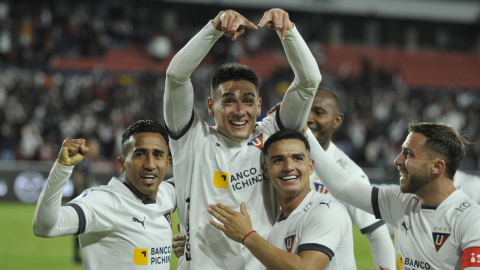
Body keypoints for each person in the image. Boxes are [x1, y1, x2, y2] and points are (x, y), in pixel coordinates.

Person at [164, 8, 321, 270]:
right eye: (228, 101)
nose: (240, 111)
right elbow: (175, 77)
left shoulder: (272, 135)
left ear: (259, 105)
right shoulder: (191, 139)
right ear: (211, 106)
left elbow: (309, 82)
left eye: (248, 101)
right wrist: (214, 28)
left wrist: (289, 32)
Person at [304, 122, 480, 270]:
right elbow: (343, 187)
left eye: (408, 154)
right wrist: (304, 133)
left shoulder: (471, 219)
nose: (397, 160)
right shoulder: (401, 201)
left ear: (436, 167)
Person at [33, 120, 176, 269]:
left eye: (158, 155)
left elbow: (196, 180)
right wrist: (62, 168)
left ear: (167, 163)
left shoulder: (167, 195)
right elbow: (44, 227)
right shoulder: (103, 202)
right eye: (140, 154)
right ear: (121, 164)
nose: (150, 164)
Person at [208, 129, 356, 270]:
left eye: (297, 158)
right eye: (278, 160)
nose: (288, 167)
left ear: (310, 167)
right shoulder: (276, 226)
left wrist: (247, 236)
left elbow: (306, 268)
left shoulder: (326, 210)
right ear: (266, 170)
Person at [307, 88, 395, 269]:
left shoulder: (348, 172)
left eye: (319, 112)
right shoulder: (278, 158)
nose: (309, 118)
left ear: (336, 121)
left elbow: (377, 232)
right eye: (305, 109)